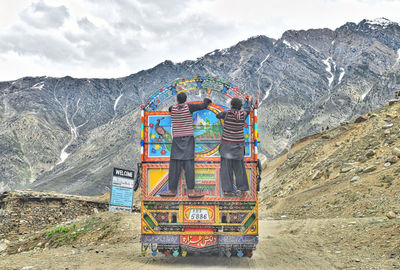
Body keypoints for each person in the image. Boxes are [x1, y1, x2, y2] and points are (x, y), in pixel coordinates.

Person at [160, 87, 212, 198]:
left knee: (174, 165)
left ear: (177, 100)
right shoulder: (189, 107)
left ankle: (172, 190)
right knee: (189, 166)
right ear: (185, 99)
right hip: (188, 139)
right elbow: (204, 105)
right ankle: (191, 191)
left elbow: (171, 108)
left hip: (177, 139)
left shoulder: (172, 108)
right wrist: (208, 94)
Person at [217, 95, 253, 197]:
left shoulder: (226, 113)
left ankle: (228, 191)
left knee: (226, 169)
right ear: (240, 106)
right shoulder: (243, 114)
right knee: (239, 169)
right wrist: (249, 101)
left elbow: (218, 115)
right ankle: (242, 190)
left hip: (226, 147)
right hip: (238, 148)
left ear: (231, 105)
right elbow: (248, 109)